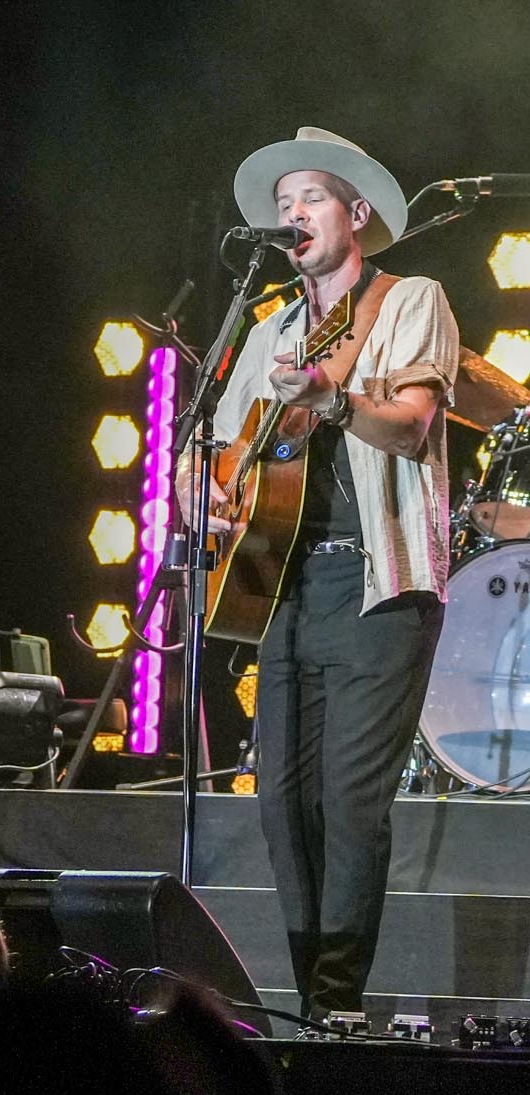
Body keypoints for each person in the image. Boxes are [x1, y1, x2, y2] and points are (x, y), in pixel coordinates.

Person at [184, 128, 456, 1020]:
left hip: (378, 585)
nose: (292, 213)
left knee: (349, 805)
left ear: (357, 213)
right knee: (282, 808)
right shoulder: (271, 328)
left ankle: (336, 1003)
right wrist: (204, 493)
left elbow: (413, 426)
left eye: (311, 198)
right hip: (278, 588)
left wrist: (332, 398)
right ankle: (310, 1001)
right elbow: (218, 451)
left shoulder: (408, 299)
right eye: (284, 203)